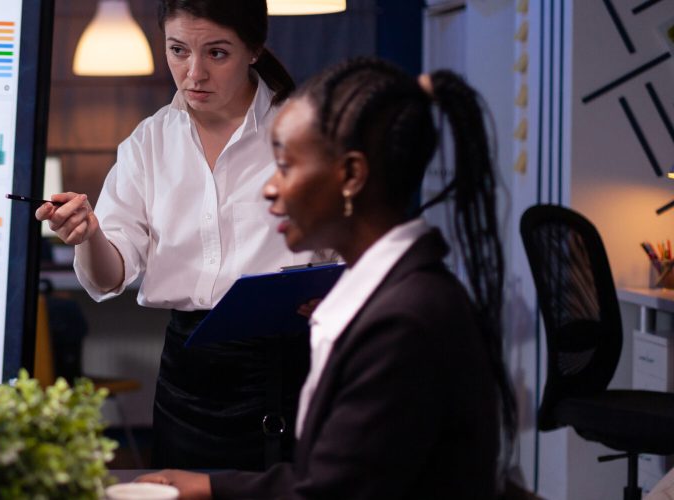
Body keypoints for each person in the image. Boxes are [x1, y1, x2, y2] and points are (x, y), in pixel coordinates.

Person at [136, 58, 519, 499]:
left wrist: (210, 490)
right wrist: (207, 484)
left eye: (286, 166)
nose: (269, 188)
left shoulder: (403, 322)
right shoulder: (391, 297)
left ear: (351, 176)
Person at [36, 0, 313, 469]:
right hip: (186, 375)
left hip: (283, 364)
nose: (194, 73)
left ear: (254, 49)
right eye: (178, 50)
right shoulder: (150, 141)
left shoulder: (306, 131)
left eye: (217, 54)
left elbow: (353, 254)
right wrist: (89, 234)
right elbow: (110, 276)